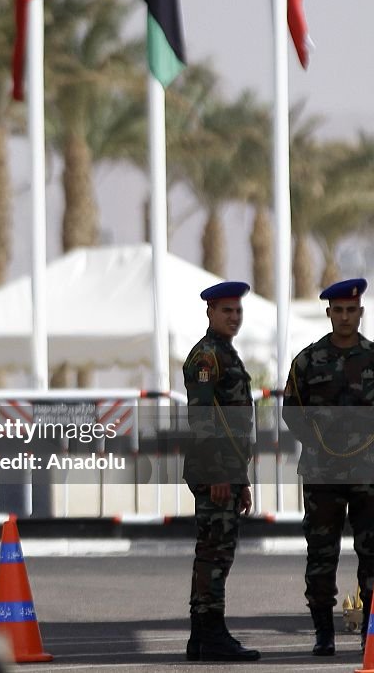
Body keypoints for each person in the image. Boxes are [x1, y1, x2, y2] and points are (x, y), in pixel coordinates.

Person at [283, 278, 374, 656]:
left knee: (371, 554)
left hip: (369, 474)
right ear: (329, 313)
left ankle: (370, 633)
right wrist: (320, 444)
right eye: (338, 310)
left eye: (351, 310)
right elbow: (291, 411)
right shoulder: (307, 360)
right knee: (321, 555)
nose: (345, 317)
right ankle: (324, 632)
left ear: (361, 313)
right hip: (323, 475)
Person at [181, 281, 260, 661]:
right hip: (214, 471)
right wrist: (217, 474)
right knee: (215, 553)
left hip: (227, 471)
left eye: (238, 311)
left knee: (216, 551)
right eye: (226, 310)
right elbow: (203, 420)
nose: (234, 317)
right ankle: (210, 635)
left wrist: (239, 478)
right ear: (210, 312)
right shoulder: (207, 357)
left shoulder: (226, 353)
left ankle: (202, 636)